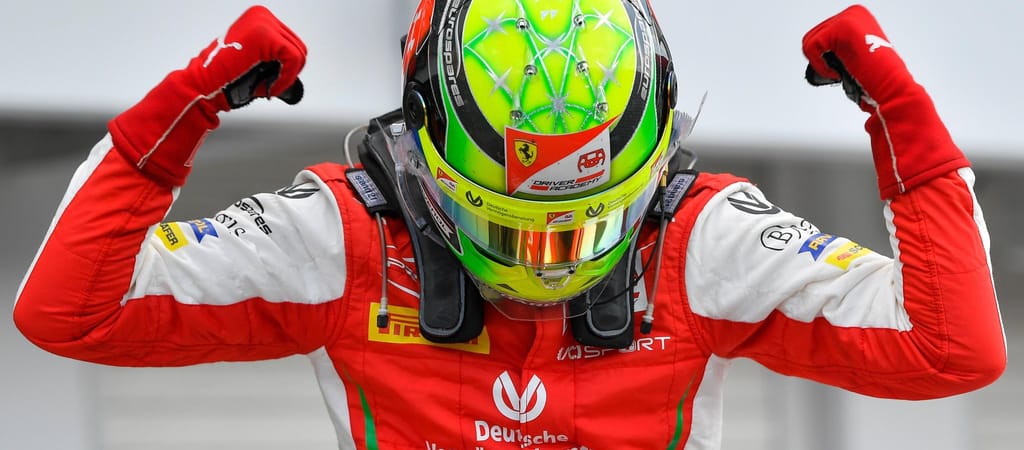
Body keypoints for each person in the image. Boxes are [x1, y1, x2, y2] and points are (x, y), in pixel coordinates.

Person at [12, 2, 1006, 449]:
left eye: (582, 230)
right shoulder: (342, 236)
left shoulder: (700, 241)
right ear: (422, 167)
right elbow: (71, 312)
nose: (545, 267)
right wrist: (181, 111)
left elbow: (950, 350)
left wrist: (903, 119)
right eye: (510, 230)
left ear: (652, 174)